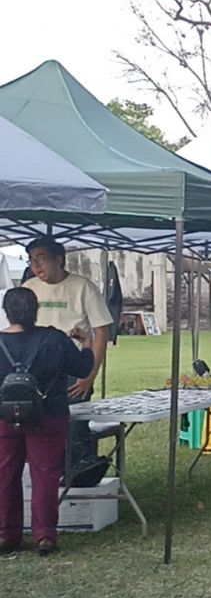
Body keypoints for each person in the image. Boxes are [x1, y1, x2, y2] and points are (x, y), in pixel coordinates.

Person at [0, 288, 95, 556]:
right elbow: (82, 368)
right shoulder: (53, 338)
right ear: (35, 310)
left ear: (7, 312)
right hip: (48, 413)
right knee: (45, 475)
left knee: (5, 474)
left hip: (4, 417)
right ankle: (45, 536)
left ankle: (7, 534)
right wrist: (86, 342)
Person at [24, 238, 112, 480]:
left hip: (74, 367)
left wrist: (90, 374)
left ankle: (79, 481)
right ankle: (47, 479)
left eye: (41, 258)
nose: (36, 265)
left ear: (59, 259)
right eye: (32, 260)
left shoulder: (83, 287)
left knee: (75, 428)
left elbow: (101, 330)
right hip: (37, 370)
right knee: (39, 427)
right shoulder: (29, 288)